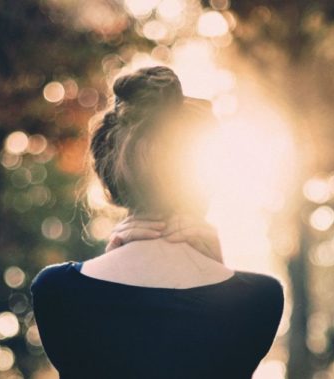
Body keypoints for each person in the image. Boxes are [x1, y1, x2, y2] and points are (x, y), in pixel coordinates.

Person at [31, 66, 284, 379]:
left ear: (110, 177)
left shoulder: (57, 291)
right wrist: (223, 279)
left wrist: (109, 262)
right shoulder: (261, 299)